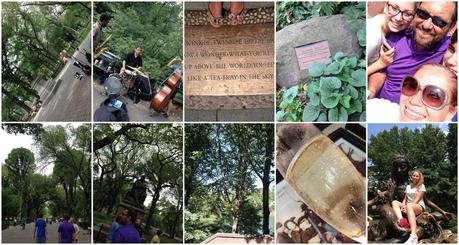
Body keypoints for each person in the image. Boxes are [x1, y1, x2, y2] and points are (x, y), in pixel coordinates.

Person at [369, 1, 457, 103]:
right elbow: (382, 72)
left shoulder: (449, 51)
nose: (426, 25)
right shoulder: (396, 36)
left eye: (439, 22)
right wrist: (372, 90)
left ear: (451, 27)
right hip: (380, 106)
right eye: (423, 14)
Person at [367, 2, 416, 81]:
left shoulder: (382, 21)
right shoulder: (373, 38)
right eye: (394, 8)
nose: (398, 18)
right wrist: (381, 63)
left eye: (407, 14)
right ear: (386, 6)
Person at [391, 170, 426, 244]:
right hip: (408, 205)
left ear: (419, 177)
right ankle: (401, 220)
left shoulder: (421, 186)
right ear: (411, 176)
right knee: (394, 202)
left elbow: (417, 200)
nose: (415, 177)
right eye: (414, 176)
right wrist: (403, 206)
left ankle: (414, 236)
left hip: (418, 206)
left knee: (410, 205)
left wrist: (407, 207)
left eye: (417, 176)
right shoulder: (408, 186)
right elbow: (405, 199)